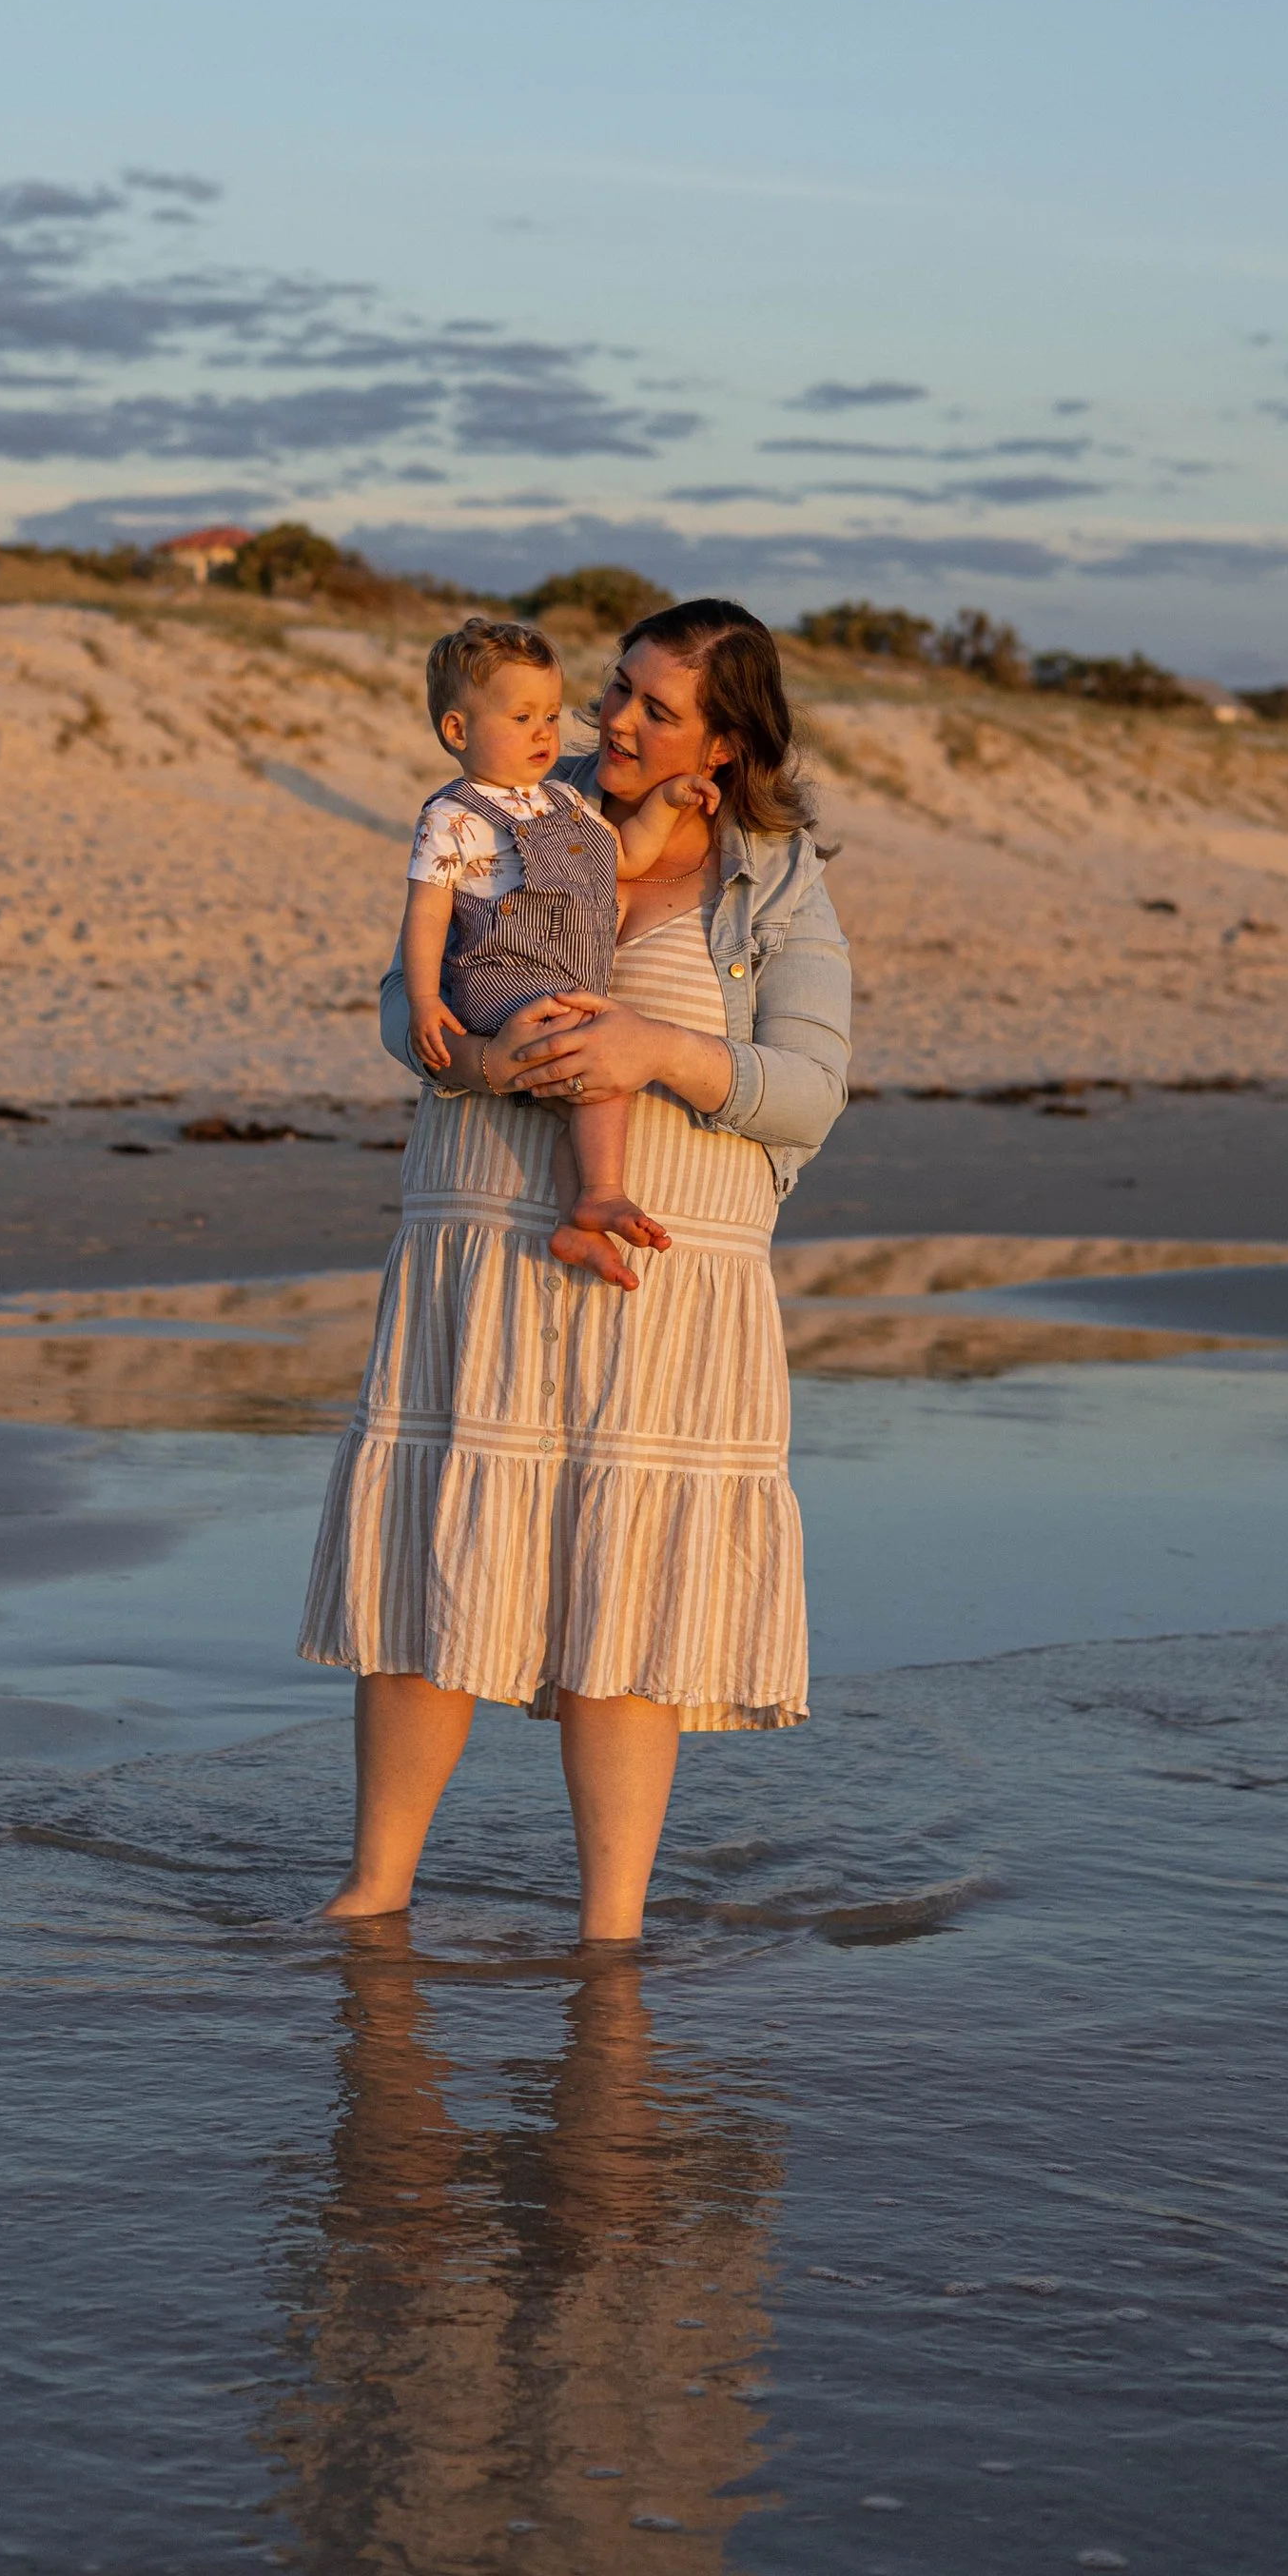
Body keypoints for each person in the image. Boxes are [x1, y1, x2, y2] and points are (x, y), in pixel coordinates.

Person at [298, 596, 852, 1940]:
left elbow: (812, 1089)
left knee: (625, 1595)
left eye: (657, 708)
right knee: (434, 1572)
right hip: (481, 1248)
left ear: (722, 744)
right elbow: (403, 992)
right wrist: (483, 1061)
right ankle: (375, 1894)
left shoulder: (772, 883)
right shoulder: (517, 812)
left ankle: (610, 1933)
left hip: (660, 1281)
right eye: (617, 689)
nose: (614, 719)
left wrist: (659, 1052)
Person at [398, 612, 725, 1286]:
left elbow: (625, 856)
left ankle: (580, 1220)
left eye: (550, 714)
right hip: (498, 976)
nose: (545, 731)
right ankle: (600, 1194)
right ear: (457, 730)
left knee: (586, 1080)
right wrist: (424, 998)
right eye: (522, 718)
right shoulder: (453, 816)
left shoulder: (564, 804)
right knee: (595, 1060)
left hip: (561, 980)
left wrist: (665, 804)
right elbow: (428, 910)